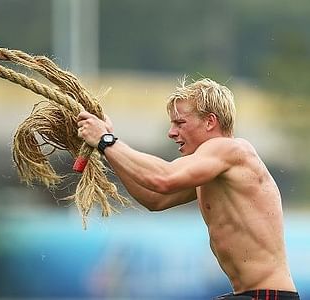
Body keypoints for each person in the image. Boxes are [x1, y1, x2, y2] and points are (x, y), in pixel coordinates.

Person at [76, 78, 299, 300]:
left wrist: (107, 140)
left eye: (180, 123)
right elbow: (154, 199)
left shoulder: (230, 149)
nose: (171, 133)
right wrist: (107, 148)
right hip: (252, 295)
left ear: (210, 122)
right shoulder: (212, 168)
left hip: (268, 295)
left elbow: (163, 178)